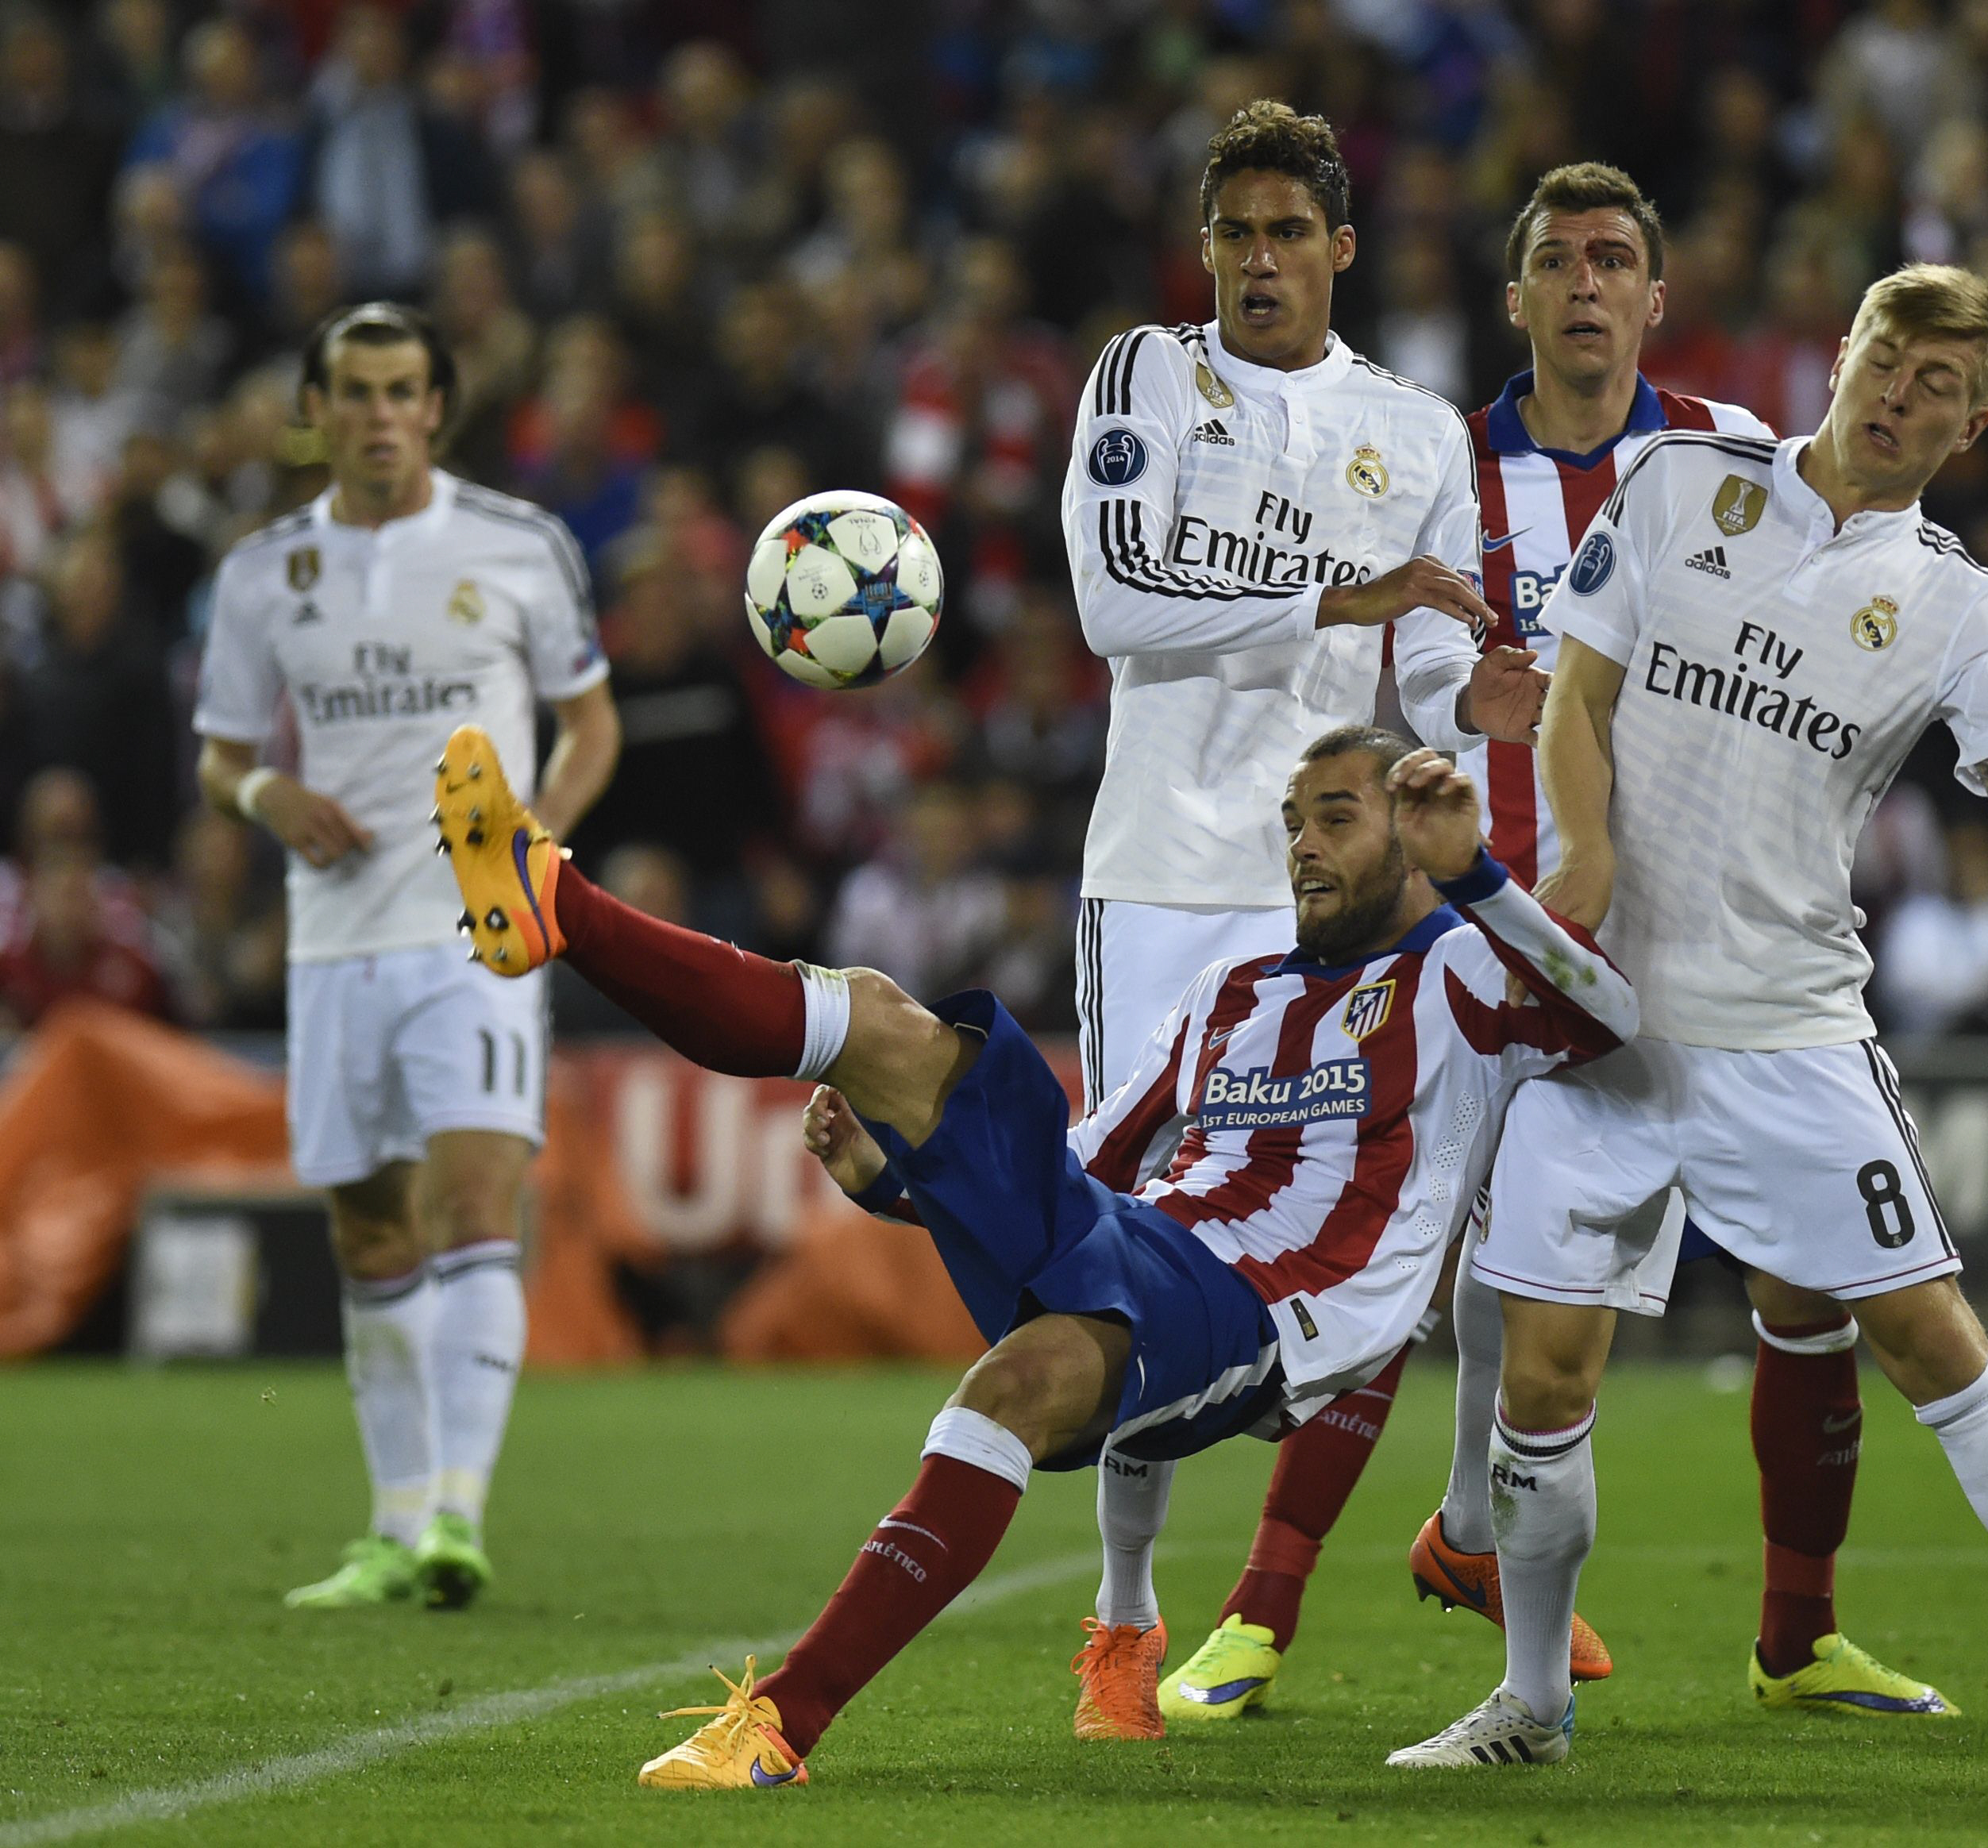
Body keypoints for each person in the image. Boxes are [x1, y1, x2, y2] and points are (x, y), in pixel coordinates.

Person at [1391, 263, 1988, 1786]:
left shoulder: (1954, 603)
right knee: (1541, 1379)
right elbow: (1578, 694)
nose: (1901, 396)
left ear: (1972, 424)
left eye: (1940, 386)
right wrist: (1585, 862)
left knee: (1936, 1344)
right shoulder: (1680, 485)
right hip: (1597, 1021)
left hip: (1784, 1029)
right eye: (1889, 359)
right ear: (1846, 358)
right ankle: (1531, 1706)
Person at [421, 718, 1635, 1788]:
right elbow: (1093, 1151)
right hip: (1148, 1240)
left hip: (1274, 1311)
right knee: (900, 1069)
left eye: (1337, 817)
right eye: (1291, 822)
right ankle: (553, 912)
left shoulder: (1466, 971)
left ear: (1411, 834)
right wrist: (898, 1185)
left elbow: (1609, 1021)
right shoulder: (1235, 989)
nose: (1303, 845)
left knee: (986, 1300)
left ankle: (777, 1720)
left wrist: (1474, 868)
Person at [1160, 163, 1954, 1730]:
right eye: (1552, 261)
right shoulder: (1439, 474)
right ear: (1511, 299)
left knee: (1795, 1295)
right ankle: (1260, 1610)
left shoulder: (1734, 460)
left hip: (1699, 955)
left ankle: (1789, 1634)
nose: (1582, 283)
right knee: (1397, 1257)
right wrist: (1468, 717)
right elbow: (1410, 675)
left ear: (1653, 299)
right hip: (1489, 940)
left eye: (1611, 260)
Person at [1058, 98, 1545, 1738]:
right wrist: (1348, 598)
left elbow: (1409, 680)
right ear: (1202, 255)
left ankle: (1392, 1560)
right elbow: (1114, 606)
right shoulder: (1144, 375)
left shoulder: (1411, 432)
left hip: (1339, 895)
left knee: (1393, 1237)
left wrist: (1464, 702)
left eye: (1288, 233)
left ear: (1341, 249)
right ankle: (1123, 1622)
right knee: (1119, 1238)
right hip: (1164, 871)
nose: (1258, 260)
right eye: (1233, 235)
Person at [192, 302, 619, 1611]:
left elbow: (589, 723)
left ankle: (455, 1519)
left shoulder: (520, 546)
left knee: (474, 1205)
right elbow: (220, 756)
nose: (379, 414)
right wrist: (272, 800)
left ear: (438, 406)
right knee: (368, 1226)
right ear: (315, 410)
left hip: (472, 936)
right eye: (354, 391)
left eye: (401, 390)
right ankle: (389, 1525)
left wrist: (534, 838)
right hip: (331, 944)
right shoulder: (263, 575)